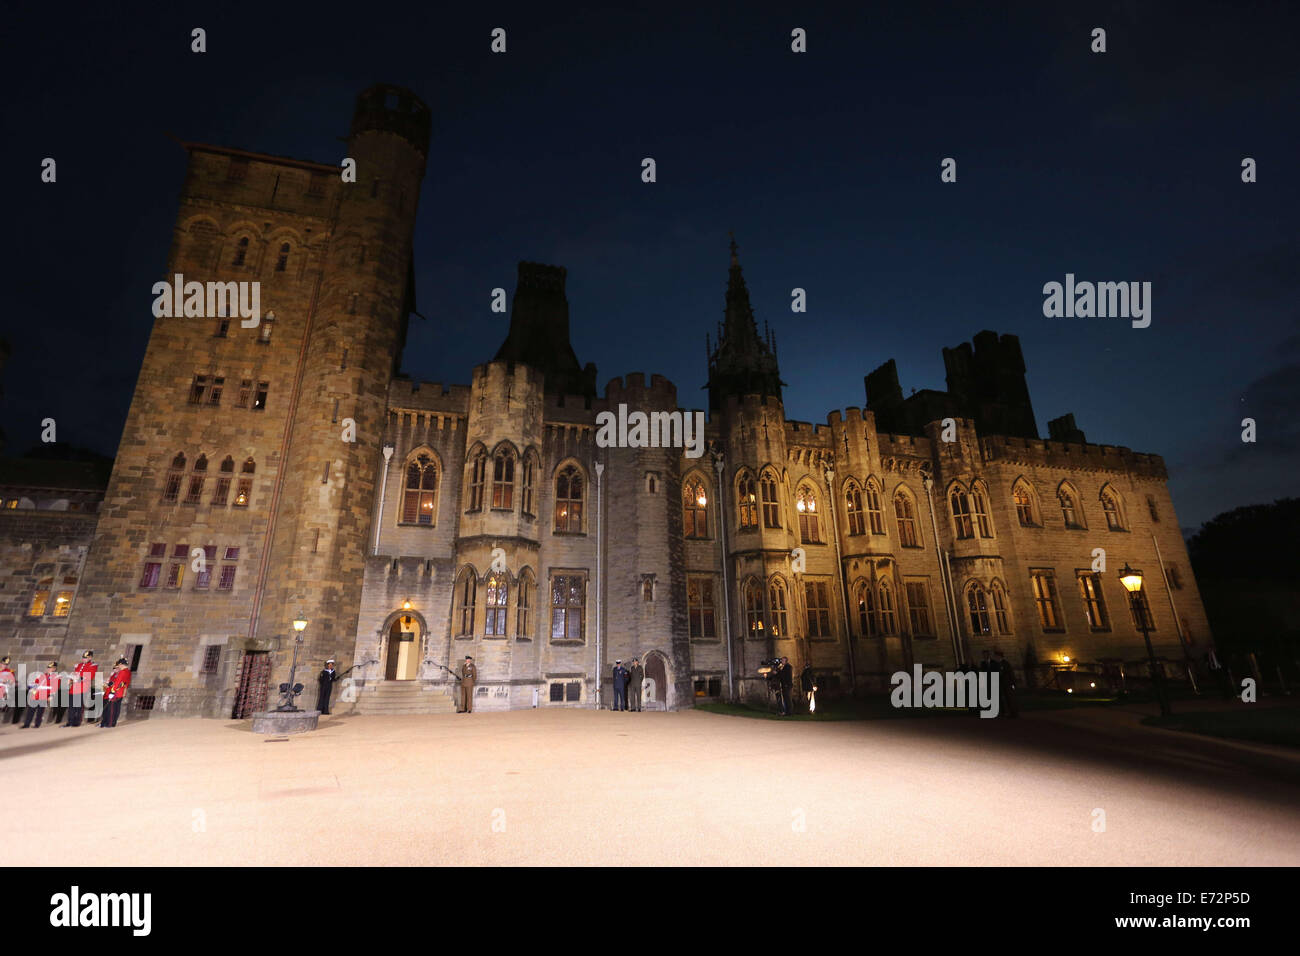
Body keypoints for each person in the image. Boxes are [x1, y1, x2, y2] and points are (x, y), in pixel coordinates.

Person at [65, 650, 97, 728]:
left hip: (83, 688)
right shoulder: (79, 665)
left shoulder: (93, 666)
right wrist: (70, 679)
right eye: (83, 658)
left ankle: (77, 722)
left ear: (90, 658)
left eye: (86, 658)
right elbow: (75, 674)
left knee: (78, 706)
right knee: (71, 706)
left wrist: (78, 677)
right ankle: (70, 722)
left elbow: (89, 676)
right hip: (74, 688)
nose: (84, 659)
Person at [22, 662, 58, 728]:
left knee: (40, 712)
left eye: (50, 668)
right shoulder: (42, 675)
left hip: (44, 696)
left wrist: (51, 696)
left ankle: (37, 724)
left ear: (54, 669)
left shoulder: (55, 677)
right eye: (48, 668)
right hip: (36, 695)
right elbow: (36, 683)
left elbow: (55, 687)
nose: (48, 669)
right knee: (30, 710)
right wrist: (33, 689)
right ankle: (26, 724)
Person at [100, 658, 131, 729]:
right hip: (121, 692)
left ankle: (109, 724)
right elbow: (126, 683)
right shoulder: (128, 672)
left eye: (119, 665)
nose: (118, 667)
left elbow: (117, 682)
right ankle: (112, 723)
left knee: (111, 709)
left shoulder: (122, 672)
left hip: (116, 692)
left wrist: (112, 691)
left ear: (121, 664)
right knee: (115, 708)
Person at [994, 649, 1018, 718]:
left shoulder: (1005, 663)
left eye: (996, 656)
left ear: (1000, 656)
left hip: (1007, 684)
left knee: (1010, 698)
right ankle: (1007, 712)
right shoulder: (997, 664)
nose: (995, 658)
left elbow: (1010, 674)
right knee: (1005, 699)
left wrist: (1013, 683)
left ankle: (1013, 713)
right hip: (1002, 684)